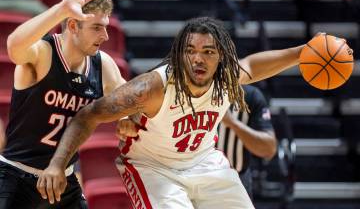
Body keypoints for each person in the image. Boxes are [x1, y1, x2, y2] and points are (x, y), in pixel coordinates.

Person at [37, 16, 327, 208]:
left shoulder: (226, 78)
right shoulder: (153, 88)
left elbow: (253, 66)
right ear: (179, 53)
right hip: (153, 168)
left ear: (221, 57)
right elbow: (88, 115)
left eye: (208, 52)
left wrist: (304, 51)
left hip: (205, 162)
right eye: (190, 50)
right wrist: (57, 164)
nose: (198, 59)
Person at [0, 0, 125, 208]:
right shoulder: (44, 53)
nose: (105, 36)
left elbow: (132, 101)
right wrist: (62, 9)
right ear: (73, 26)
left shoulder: (103, 65)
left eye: (106, 27)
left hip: (61, 177)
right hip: (16, 173)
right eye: (97, 27)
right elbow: (13, 46)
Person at [217, 84, 277, 198]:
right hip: (194, 180)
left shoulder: (251, 96)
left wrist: (232, 123)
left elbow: (269, 149)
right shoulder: (187, 92)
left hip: (236, 180)